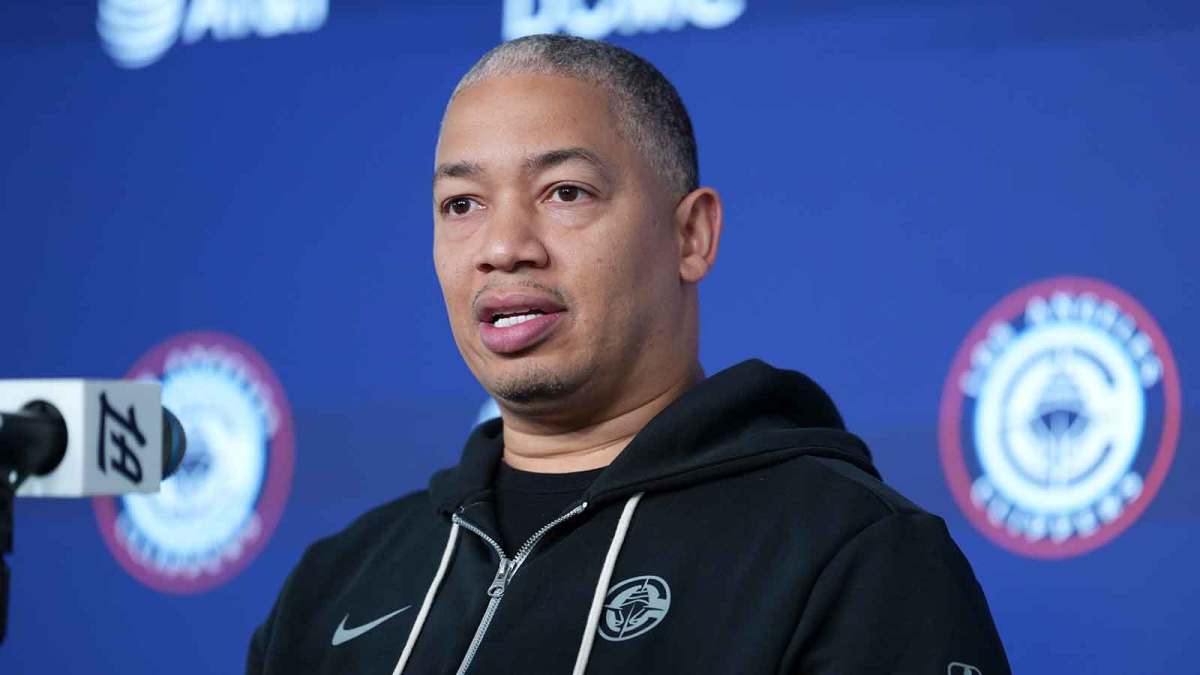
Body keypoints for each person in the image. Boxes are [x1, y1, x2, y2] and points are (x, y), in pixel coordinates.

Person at [247, 34, 1010, 674]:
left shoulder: (852, 552)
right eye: (462, 205)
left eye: (566, 192)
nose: (504, 247)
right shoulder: (334, 583)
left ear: (691, 235)